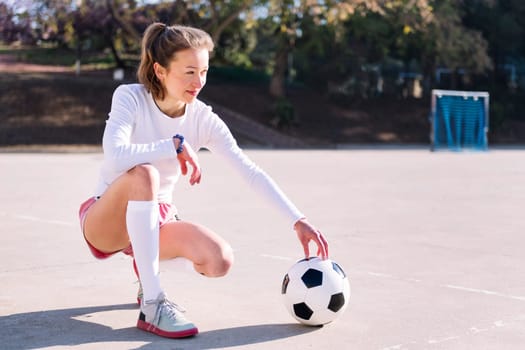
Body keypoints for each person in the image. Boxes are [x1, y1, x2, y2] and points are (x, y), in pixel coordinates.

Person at [78, 22, 329, 339]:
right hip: (108, 218)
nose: (199, 82)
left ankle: (145, 274)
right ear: (160, 70)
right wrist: (173, 145)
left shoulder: (202, 118)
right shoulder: (130, 97)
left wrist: (298, 219)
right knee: (145, 173)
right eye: (189, 72)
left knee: (219, 260)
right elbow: (115, 156)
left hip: (157, 218)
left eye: (204, 71)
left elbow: (248, 170)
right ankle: (153, 304)